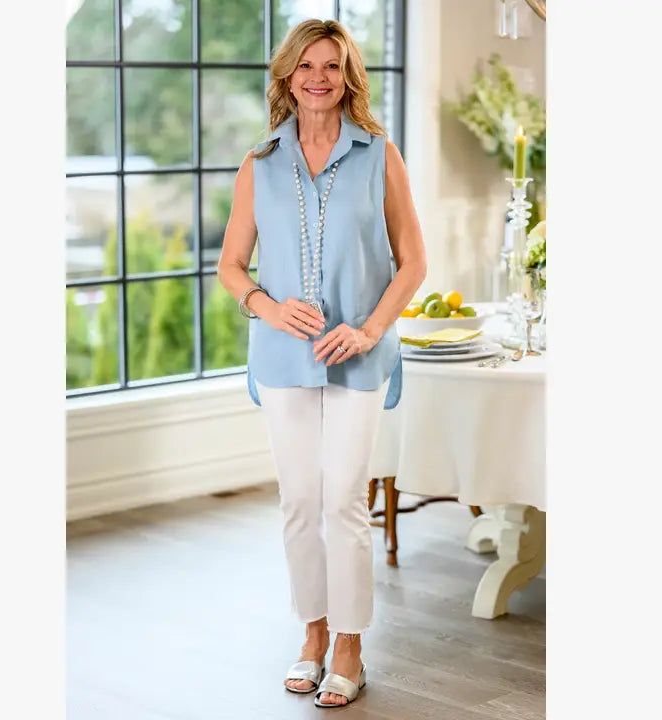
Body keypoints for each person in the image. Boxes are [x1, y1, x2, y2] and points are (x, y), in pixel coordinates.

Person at [217, 18, 426, 708]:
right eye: (306, 65)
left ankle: (350, 648)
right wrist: (266, 307)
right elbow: (231, 265)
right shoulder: (260, 163)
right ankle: (311, 636)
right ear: (287, 75)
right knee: (300, 502)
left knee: (344, 502)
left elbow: (413, 262)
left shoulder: (379, 155)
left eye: (332, 66)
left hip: (358, 356)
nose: (318, 77)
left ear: (348, 77)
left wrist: (369, 330)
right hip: (282, 358)